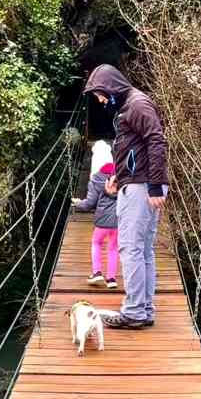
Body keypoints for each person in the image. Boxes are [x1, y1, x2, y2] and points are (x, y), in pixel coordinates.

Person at [82, 64, 168, 329]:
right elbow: (135, 148)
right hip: (138, 182)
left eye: (100, 94)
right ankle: (143, 310)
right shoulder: (128, 107)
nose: (99, 100)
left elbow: (157, 141)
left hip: (142, 187)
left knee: (130, 248)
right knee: (142, 250)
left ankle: (133, 312)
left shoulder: (136, 105)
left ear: (111, 87)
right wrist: (120, 175)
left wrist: (154, 186)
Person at [71, 142, 119, 290]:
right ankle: (111, 279)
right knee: (113, 248)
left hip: (102, 221)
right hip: (118, 220)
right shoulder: (121, 175)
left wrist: (77, 203)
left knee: (96, 243)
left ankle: (97, 272)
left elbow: (89, 204)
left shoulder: (96, 179)